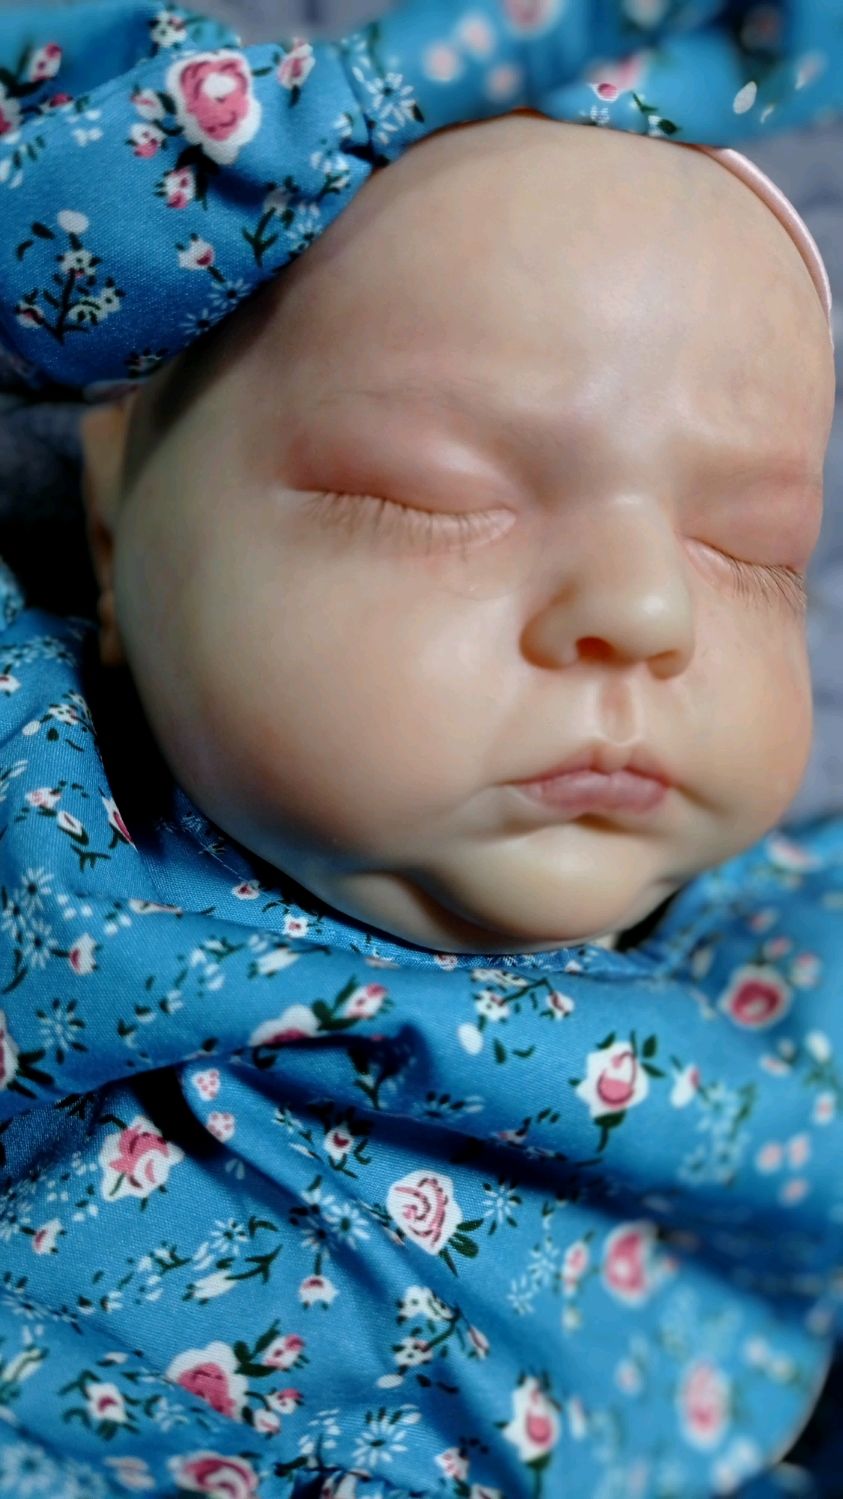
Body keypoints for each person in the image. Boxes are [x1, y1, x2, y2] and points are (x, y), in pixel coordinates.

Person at [2, 5, 843, 1499]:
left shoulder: (783, 967)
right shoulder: (44, 803)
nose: (647, 608)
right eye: (433, 495)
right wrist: (318, 119)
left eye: (752, 548)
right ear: (114, 525)